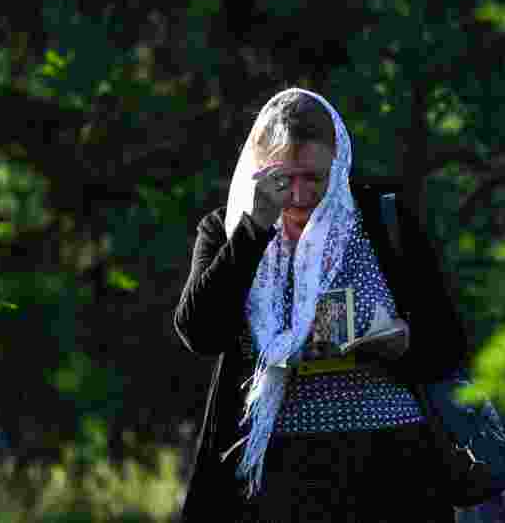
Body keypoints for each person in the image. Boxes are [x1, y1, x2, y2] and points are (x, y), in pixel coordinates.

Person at [174, 87, 468, 522]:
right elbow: (200, 332)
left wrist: (402, 343)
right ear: (260, 169)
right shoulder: (229, 229)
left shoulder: (382, 221)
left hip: (392, 468)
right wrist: (254, 229)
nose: (298, 194)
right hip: (281, 477)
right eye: (283, 178)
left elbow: (449, 345)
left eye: (313, 177)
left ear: (339, 163)